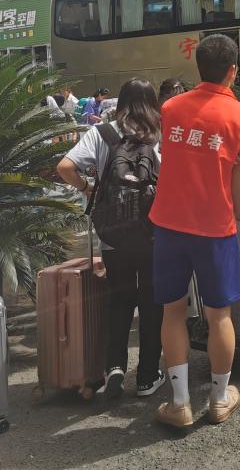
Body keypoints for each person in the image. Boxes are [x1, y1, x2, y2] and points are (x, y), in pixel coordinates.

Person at [148, 34, 240, 427]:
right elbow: (238, 183)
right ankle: (218, 398)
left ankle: (179, 403)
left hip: (169, 223)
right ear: (233, 70)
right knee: (219, 314)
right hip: (215, 227)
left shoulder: (170, 109)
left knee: (173, 310)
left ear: (198, 67)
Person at [56, 79, 166, 400]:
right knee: (152, 303)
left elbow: (65, 167)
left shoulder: (102, 132)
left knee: (119, 299)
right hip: (153, 233)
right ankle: (147, 376)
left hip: (114, 235)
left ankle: (114, 366)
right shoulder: (160, 134)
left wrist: (87, 188)